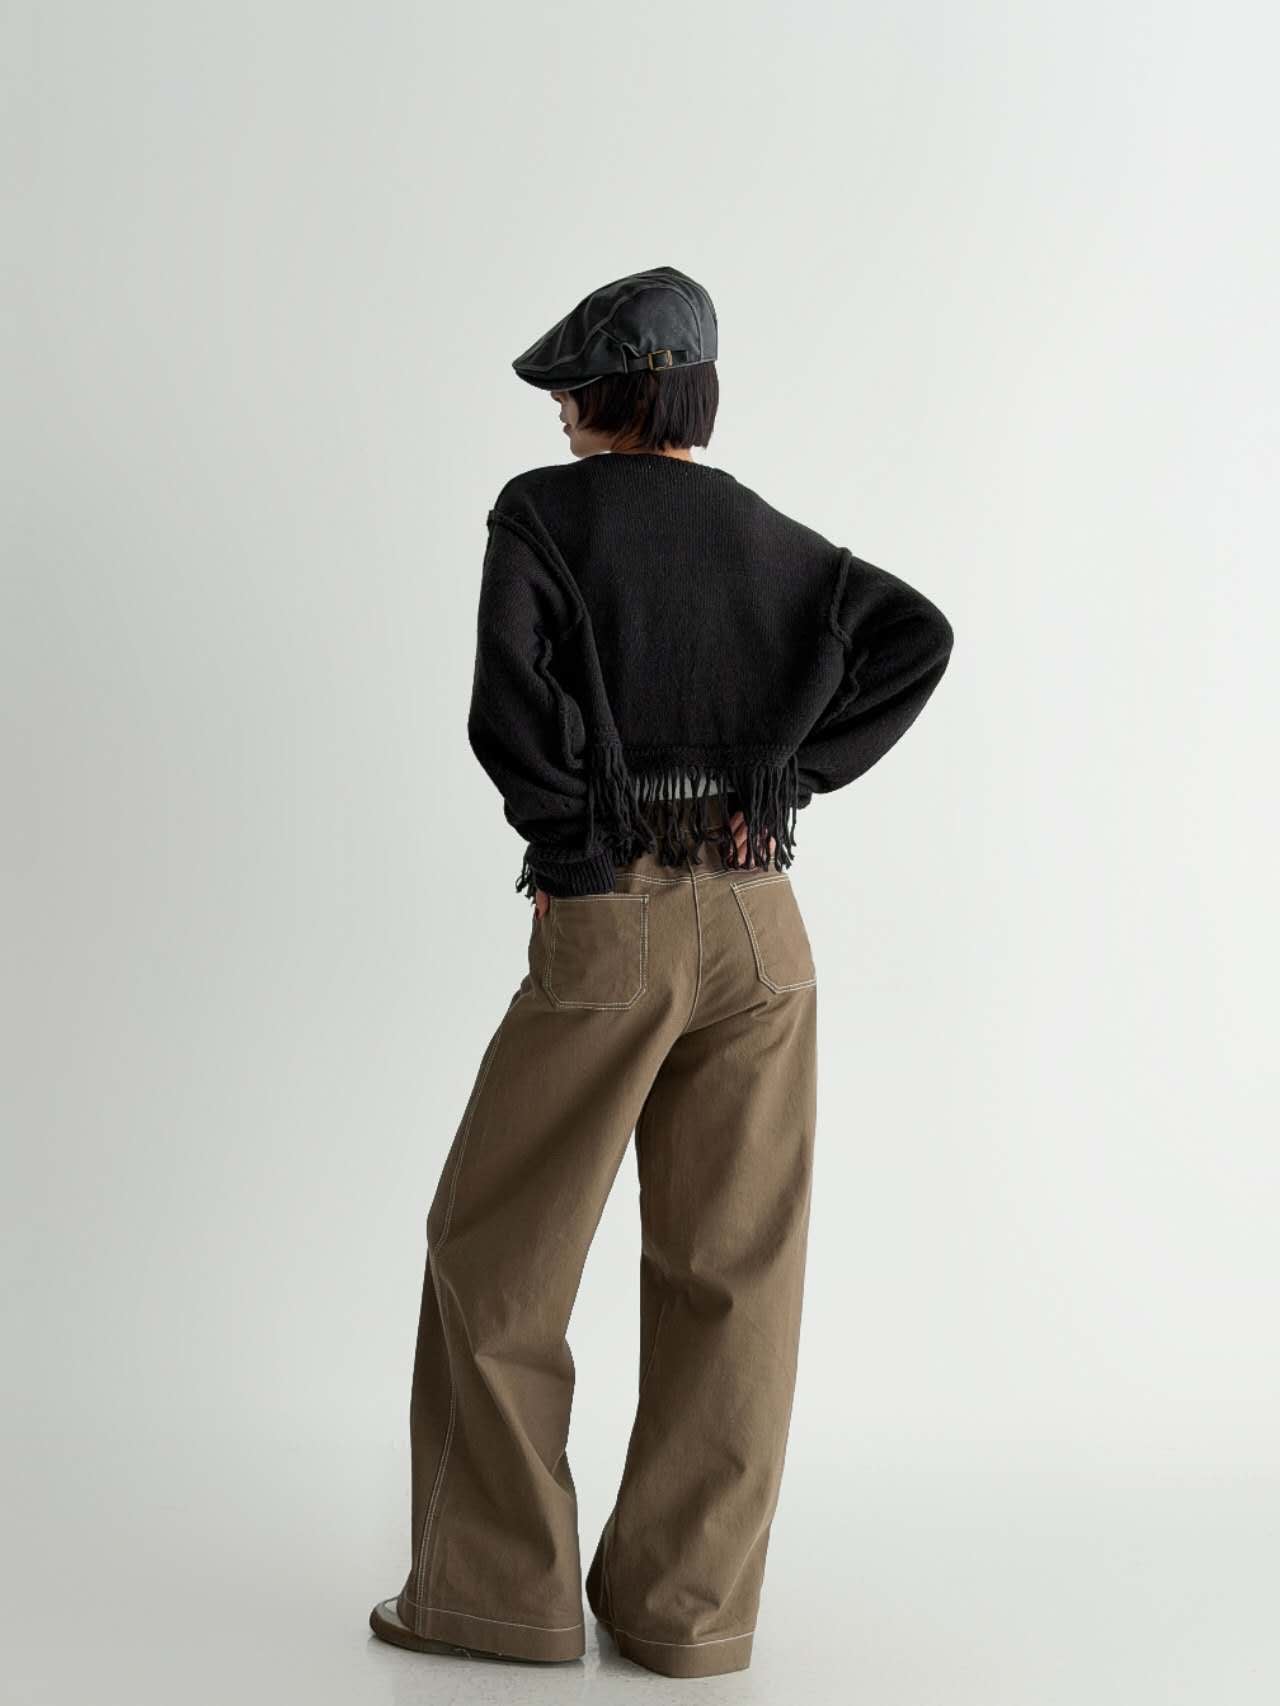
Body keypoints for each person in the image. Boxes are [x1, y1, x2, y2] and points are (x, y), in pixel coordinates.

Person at [369, 265, 955, 1678]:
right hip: (764, 934)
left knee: (497, 1251)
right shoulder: (768, 536)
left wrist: (580, 840)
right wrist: (786, 775)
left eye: (572, 384)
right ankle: (686, 1616)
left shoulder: (543, 515)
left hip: (613, 924)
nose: (559, 408)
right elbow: (914, 635)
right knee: (733, 1281)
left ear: (609, 392)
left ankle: (497, 1599)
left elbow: (508, 710)